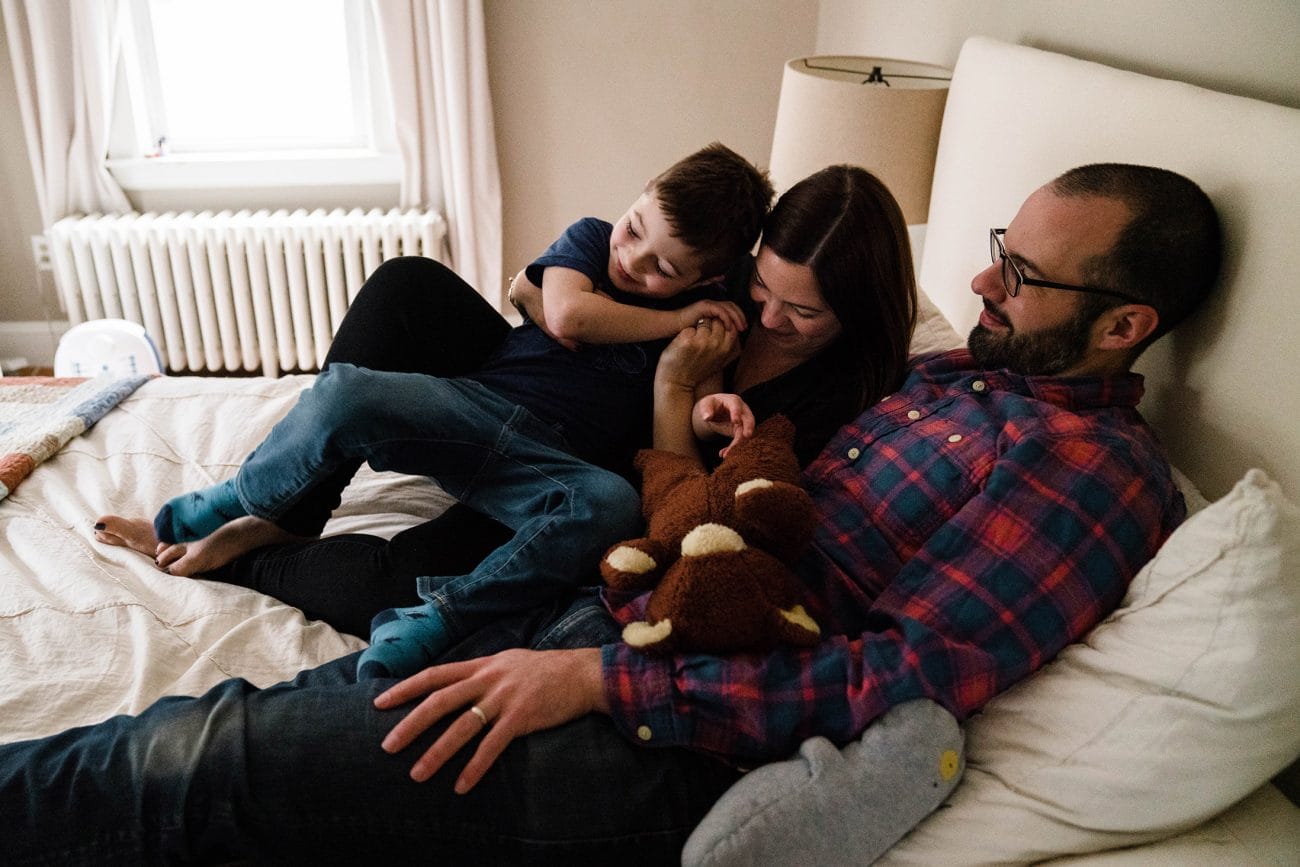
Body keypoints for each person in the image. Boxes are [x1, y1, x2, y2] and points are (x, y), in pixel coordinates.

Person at [1, 163, 1221, 863]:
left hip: (663, 724)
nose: (979, 281)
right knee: (233, 735)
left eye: (1020, 274)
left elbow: (901, 675)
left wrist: (601, 686)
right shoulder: (946, 380)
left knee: (210, 765)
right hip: (613, 607)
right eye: (997, 248)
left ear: (1124, 327)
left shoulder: (1087, 474)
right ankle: (273, 529)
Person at [94, 164, 918, 641]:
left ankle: (250, 556)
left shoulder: (840, 396)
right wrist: (542, 294)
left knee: (400, 581)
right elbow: (538, 291)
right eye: (763, 287)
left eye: (801, 312)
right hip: (525, 388)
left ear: (857, 312)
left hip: (582, 457)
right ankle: (287, 503)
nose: (769, 316)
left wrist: (673, 386)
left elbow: (683, 507)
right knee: (407, 285)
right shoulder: (713, 277)